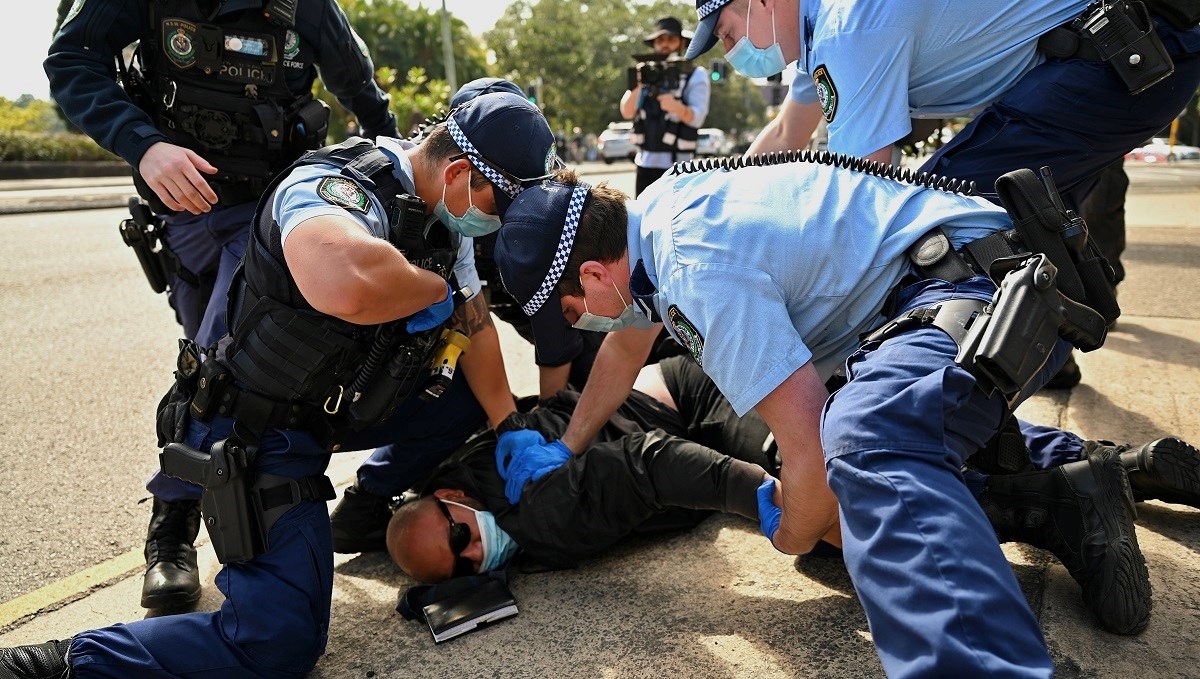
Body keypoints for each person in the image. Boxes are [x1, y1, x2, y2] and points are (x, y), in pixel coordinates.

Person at [488, 158, 1200, 677]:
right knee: (869, 433)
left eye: (573, 314)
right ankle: (1080, 484)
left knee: (865, 444)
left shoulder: (691, 265)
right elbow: (624, 344)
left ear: (589, 275)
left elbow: (814, 460)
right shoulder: (657, 218)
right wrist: (571, 442)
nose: (582, 327)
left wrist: (790, 530)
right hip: (951, 288)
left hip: (977, 291)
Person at [0, 92, 558, 679]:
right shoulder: (338, 184)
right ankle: (54, 665)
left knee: (468, 397)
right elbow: (340, 280)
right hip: (258, 429)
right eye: (505, 200)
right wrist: (433, 291)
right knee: (276, 644)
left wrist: (509, 429)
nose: (502, 219)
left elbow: (478, 326)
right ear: (459, 174)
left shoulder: (449, 222)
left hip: (330, 407)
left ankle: (365, 505)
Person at [44, 0, 401, 610]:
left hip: (265, 215)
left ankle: (170, 534)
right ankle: (210, 506)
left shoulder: (304, 5)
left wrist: (393, 163)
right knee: (197, 367)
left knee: (218, 371)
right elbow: (72, 61)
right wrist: (145, 145)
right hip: (180, 216)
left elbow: (357, 84)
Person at [685, 0, 1200, 388]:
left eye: (728, 33)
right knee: (1025, 227)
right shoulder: (825, 33)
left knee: (935, 230)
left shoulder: (850, 28)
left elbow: (866, 193)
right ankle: (1043, 352)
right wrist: (718, 204)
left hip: (1119, 58)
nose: (731, 54)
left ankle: (920, 392)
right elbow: (782, 137)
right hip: (1118, 60)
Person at [388, 355, 1198, 588]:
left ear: (452, 498)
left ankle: (1050, 503)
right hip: (680, 382)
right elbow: (386, 515)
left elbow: (656, 462)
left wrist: (774, 504)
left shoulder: (538, 511)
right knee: (853, 439)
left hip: (694, 401)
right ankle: (1117, 466)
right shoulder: (471, 476)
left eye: (460, 539)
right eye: (458, 569)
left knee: (826, 504)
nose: (474, 555)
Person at [621, 17, 711, 196]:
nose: (665, 45)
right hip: (645, 166)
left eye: (671, 39)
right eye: (660, 40)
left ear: (681, 43)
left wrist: (675, 106)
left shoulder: (695, 74)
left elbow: (698, 117)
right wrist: (639, 85)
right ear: (654, 44)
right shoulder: (645, 72)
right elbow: (627, 111)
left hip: (679, 168)